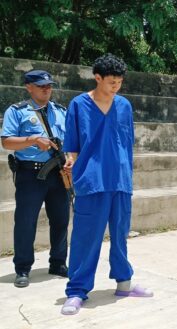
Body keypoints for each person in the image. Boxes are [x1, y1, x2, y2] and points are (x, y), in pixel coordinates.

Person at [61, 54, 153, 316]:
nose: (116, 86)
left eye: (120, 82)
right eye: (111, 82)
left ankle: (124, 283)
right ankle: (77, 291)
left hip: (121, 180)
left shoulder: (124, 105)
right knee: (85, 238)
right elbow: (73, 146)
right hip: (91, 181)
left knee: (121, 234)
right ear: (97, 78)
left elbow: (126, 143)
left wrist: (126, 173)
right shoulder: (78, 105)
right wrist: (71, 164)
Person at [1, 70, 70, 288]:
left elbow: (70, 142)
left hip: (58, 174)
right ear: (28, 87)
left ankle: (58, 263)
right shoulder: (17, 111)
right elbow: (7, 142)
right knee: (25, 222)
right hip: (30, 174)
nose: (46, 89)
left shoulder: (60, 112)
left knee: (61, 220)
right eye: (41, 85)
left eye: (49, 85)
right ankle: (22, 268)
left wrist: (70, 160)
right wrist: (32, 140)